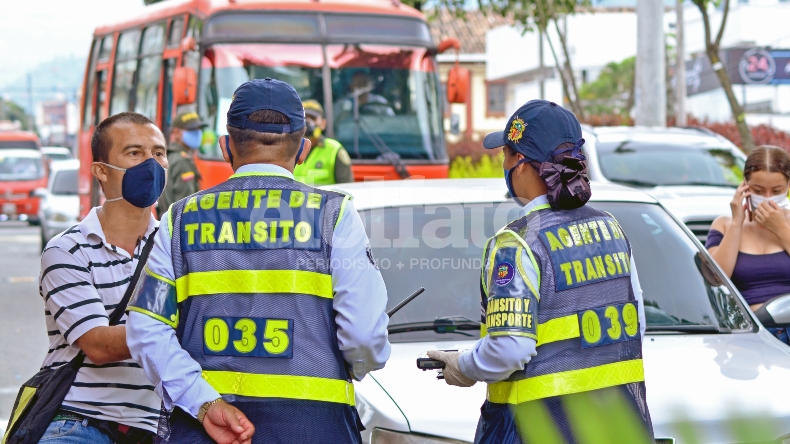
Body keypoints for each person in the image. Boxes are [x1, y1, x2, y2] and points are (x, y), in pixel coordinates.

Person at [125, 78, 391, 444]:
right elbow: (364, 335)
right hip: (316, 427)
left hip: (206, 429)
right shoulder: (335, 215)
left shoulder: (180, 219)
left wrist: (203, 403)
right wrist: (353, 367)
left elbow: (145, 329)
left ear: (225, 147)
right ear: (304, 150)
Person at [427, 100, 654, 443]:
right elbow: (637, 320)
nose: (503, 165)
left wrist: (465, 365)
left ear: (520, 164)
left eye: (505, 154)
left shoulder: (517, 243)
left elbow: (509, 349)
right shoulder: (611, 229)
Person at [37, 112, 168, 443]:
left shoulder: (176, 247)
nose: (151, 164)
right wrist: (180, 325)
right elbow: (97, 344)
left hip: (154, 425)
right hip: (77, 421)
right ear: (101, 170)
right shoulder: (67, 250)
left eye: (158, 153)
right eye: (135, 153)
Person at [707, 145, 790, 344]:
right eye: (759, 190)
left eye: (776, 191)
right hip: (749, 335)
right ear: (744, 186)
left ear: (787, 187)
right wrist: (737, 222)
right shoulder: (725, 224)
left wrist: (780, 229)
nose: (768, 198)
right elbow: (715, 278)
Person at [293, 99, 354, 186]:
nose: (308, 122)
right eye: (304, 118)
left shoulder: (334, 150)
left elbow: (347, 189)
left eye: (313, 118)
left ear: (323, 124)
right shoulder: (287, 149)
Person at [157, 111, 204, 215]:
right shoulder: (182, 161)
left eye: (198, 129)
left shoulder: (169, 156)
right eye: (191, 130)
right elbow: (187, 206)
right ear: (177, 133)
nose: (197, 133)